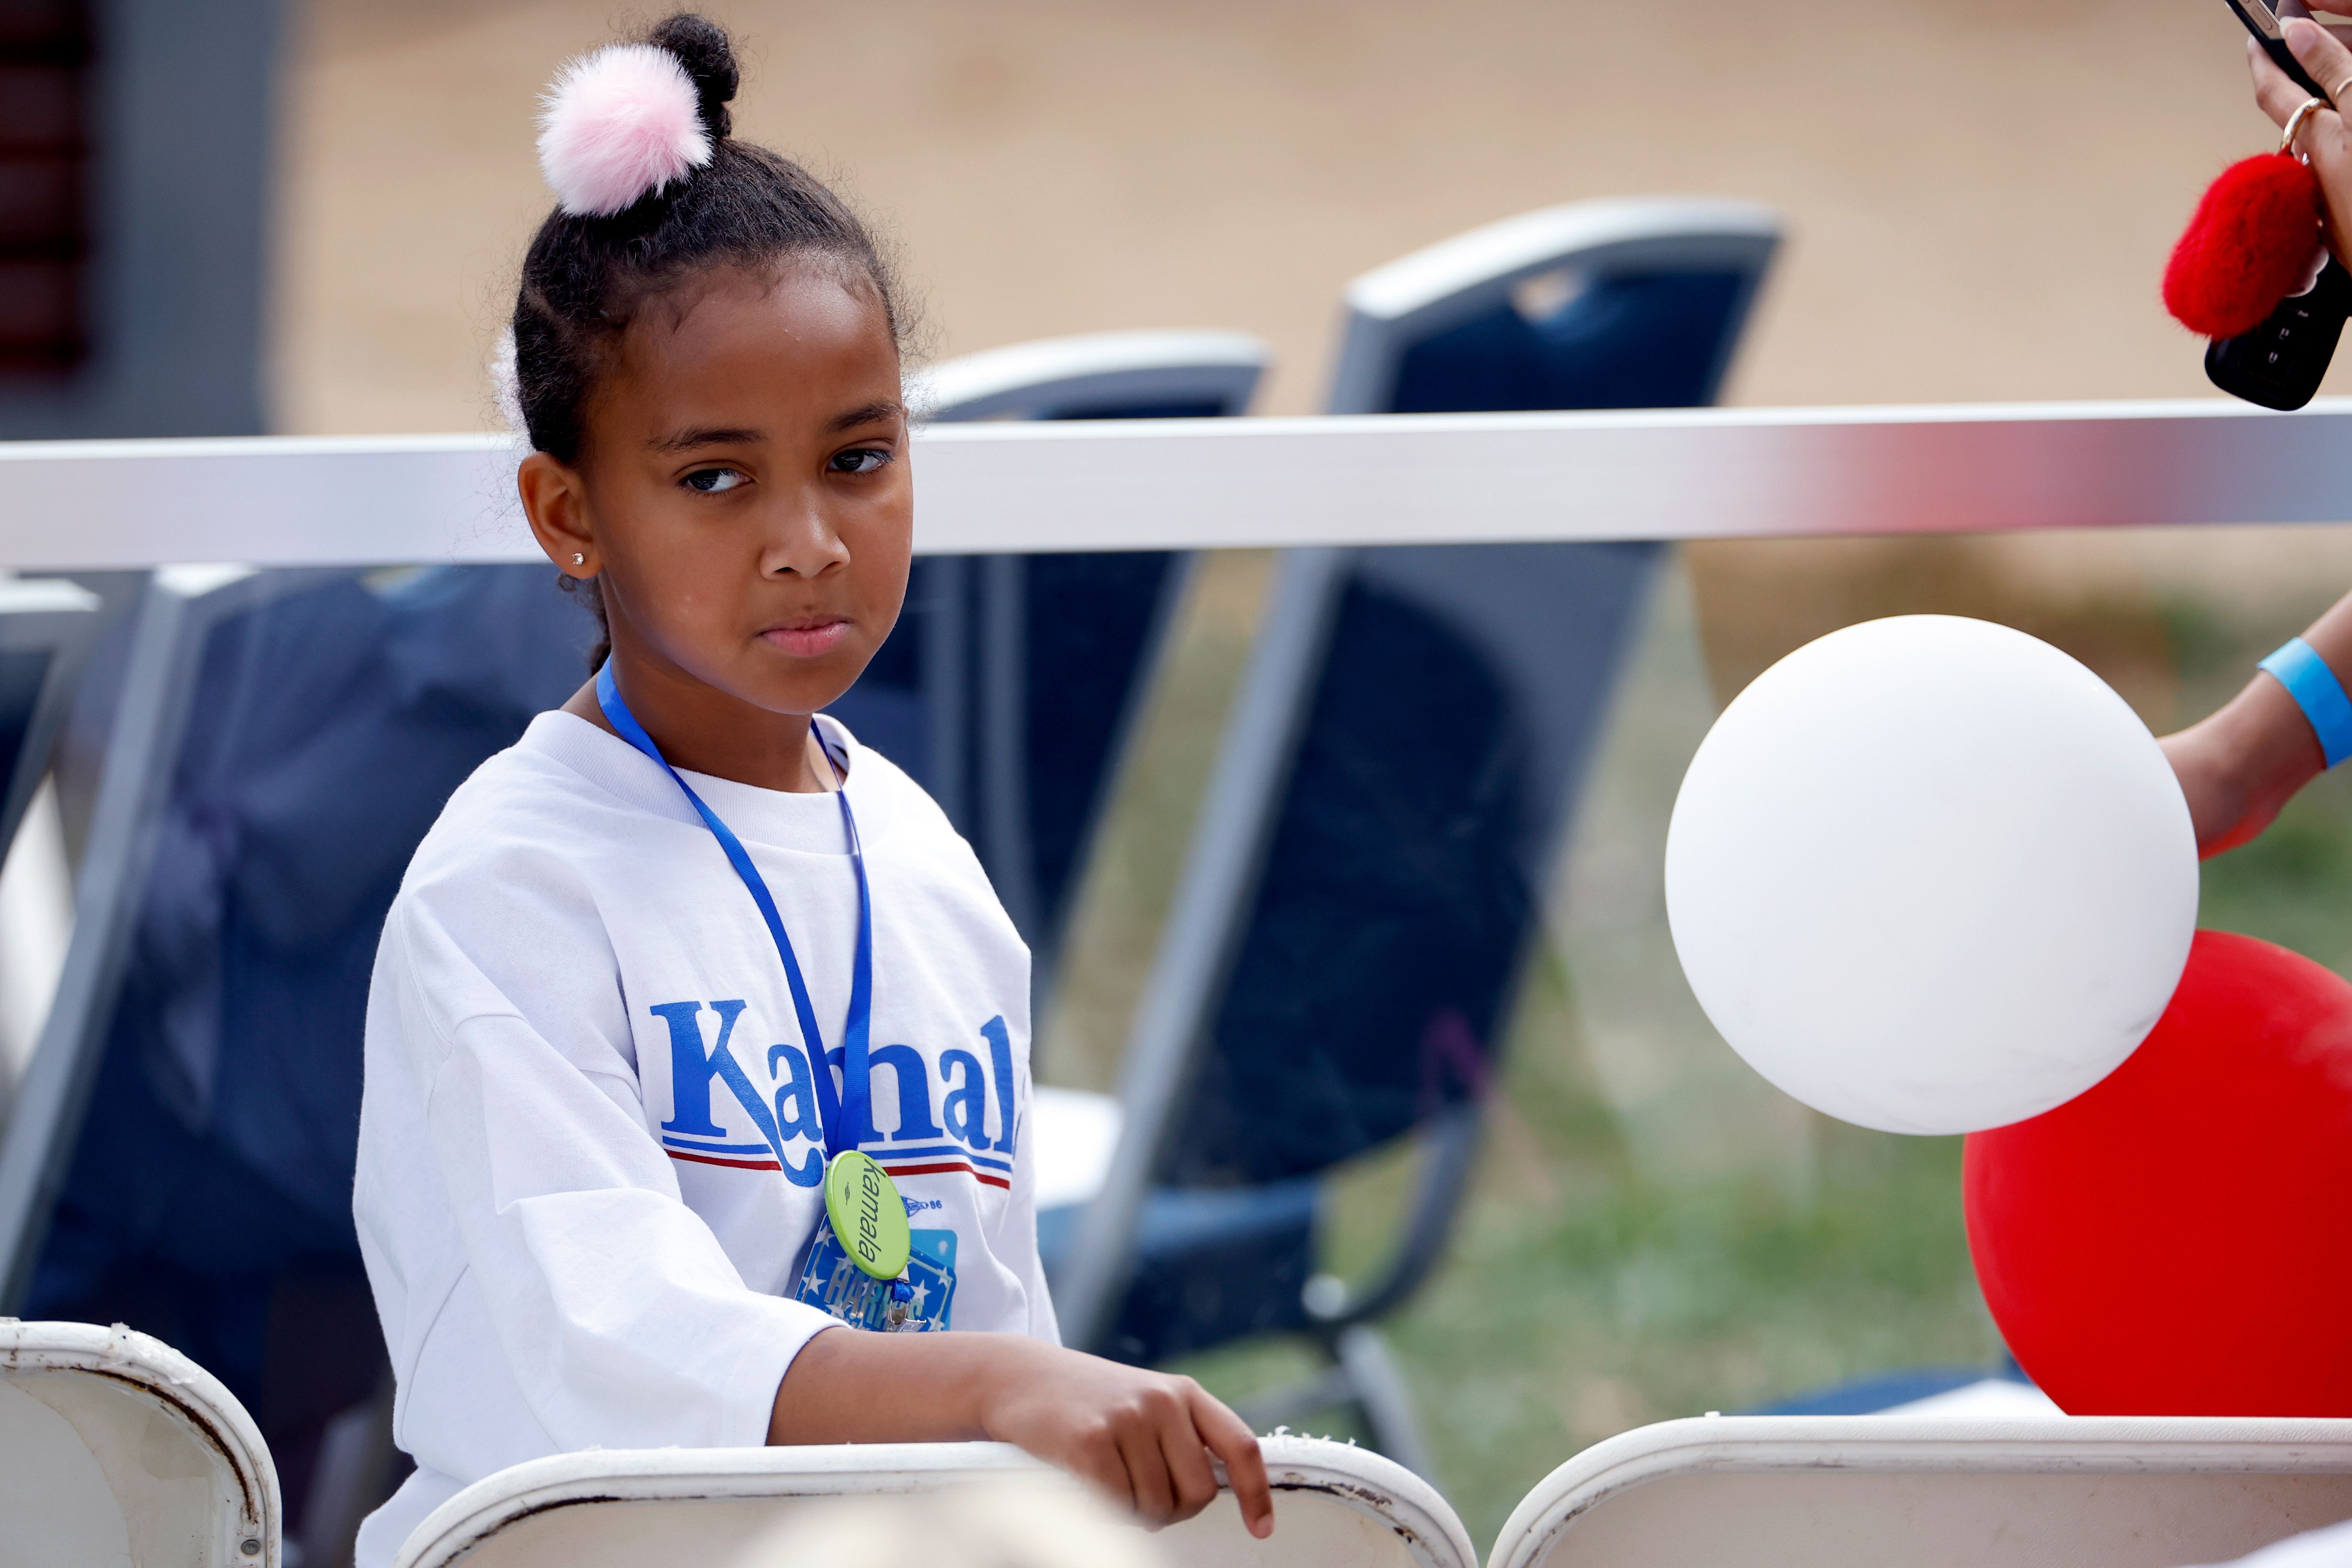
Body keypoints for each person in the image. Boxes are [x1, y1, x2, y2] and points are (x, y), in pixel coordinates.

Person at [350, 17, 1272, 1566]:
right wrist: (995, 1391)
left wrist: (1028, 1423)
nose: (808, 540)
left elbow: (990, 1311)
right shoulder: (509, 892)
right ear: (568, 514)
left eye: (858, 458)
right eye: (715, 478)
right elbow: (598, 1351)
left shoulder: (919, 862)